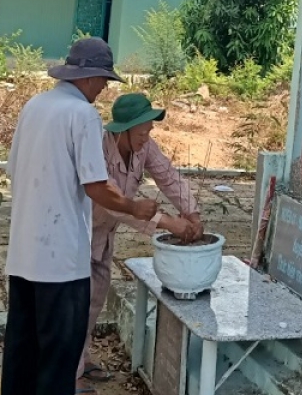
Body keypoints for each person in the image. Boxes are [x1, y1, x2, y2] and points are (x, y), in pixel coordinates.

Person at [2, 37, 158, 395]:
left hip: (24, 254)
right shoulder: (83, 115)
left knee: (23, 352)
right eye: (103, 80)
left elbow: (14, 169)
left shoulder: (34, 105)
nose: (104, 88)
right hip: (62, 263)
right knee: (59, 358)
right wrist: (134, 207)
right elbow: (96, 186)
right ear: (88, 77)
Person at [76, 92, 202, 393]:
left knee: (95, 299)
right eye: (142, 132)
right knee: (76, 303)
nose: (147, 138)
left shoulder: (143, 146)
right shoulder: (98, 150)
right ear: (123, 131)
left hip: (103, 236)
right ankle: (69, 375)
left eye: (149, 131)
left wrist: (192, 212)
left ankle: (81, 359)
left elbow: (168, 176)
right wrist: (169, 223)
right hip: (79, 234)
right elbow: (114, 204)